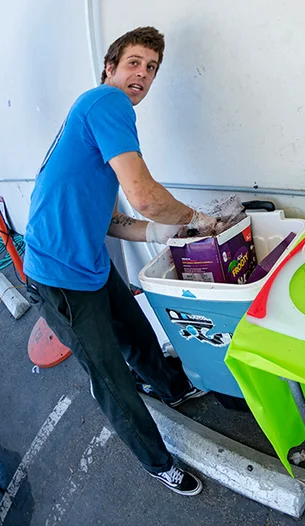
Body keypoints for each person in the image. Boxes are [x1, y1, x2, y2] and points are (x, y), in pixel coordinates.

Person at [23, 27, 215, 496]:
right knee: (109, 375)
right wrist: (200, 221)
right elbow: (145, 197)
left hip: (87, 257)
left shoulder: (94, 114)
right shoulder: (106, 103)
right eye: (134, 62)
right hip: (59, 274)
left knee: (134, 330)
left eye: (151, 68)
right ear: (110, 68)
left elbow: (113, 217)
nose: (143, 75)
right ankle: (157, 462)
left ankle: (170, 386)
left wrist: (154, 232)